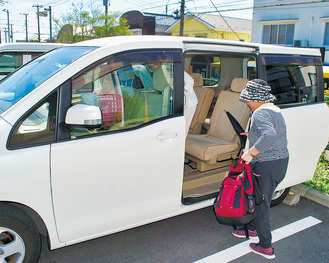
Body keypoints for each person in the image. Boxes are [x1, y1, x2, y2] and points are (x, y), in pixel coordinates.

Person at [233, 79, 289, 260]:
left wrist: (250, 153)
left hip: (266, 164)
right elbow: (275, 132)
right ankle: (253, 228)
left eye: (249, 99)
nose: (248, 103)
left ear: (256, 99)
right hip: (280, 162)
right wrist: (252, 134)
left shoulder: (259, 113)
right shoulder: (274, 110)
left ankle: (266, 246)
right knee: (258, 198)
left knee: (261, 204)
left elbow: (270, 135)